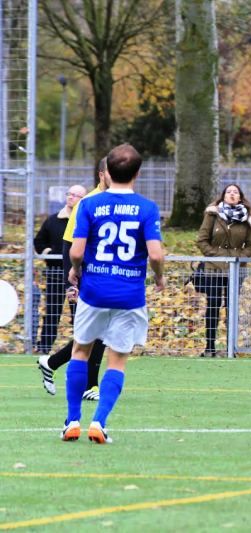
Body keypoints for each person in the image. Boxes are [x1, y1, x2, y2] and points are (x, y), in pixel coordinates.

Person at [60, 143, 165, 443]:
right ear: (138, 173)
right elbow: (156, 255)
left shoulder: (88, 205)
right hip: (129, 295)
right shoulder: (147, 208)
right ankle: (100, 422)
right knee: (117, 359)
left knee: (81, 351)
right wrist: (159, 278)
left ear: (106, 173)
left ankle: (72, 421)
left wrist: (75, 270)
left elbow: (77, 251)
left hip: (93, 291)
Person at [37, 160, 110, 400]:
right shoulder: (88, 203)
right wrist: (73, 283)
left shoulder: (116, 201)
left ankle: (53, 363)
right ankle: (89, 385)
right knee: (94, 333)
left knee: (96, 333)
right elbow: (71, 245)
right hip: (87, 280)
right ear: (102, 175)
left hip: (105, 279)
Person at [196, 184, 251, 357]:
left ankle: (231, 348)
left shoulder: (247, 219)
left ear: (240, 197)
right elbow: (201, 240)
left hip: (235, 269)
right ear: (223, 196)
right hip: (213, 269)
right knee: (213, 306)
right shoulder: (212, 215)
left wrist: (239, 258)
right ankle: (209, 347)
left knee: (232, 308)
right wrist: (215, 255)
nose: (232, 194)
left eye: (235, 192)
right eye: (229, 192)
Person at [33, 184, 87, 353]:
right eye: (69, 194)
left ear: (83, 200)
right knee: (52, 311)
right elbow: (39, 242)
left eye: (75, 195)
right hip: (56, 274)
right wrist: (50, 254)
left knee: (79, 312)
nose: (71, 197)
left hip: (79, 276)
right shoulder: (53, 220)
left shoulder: (85, 221)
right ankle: (44, 347)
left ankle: (81, 346)